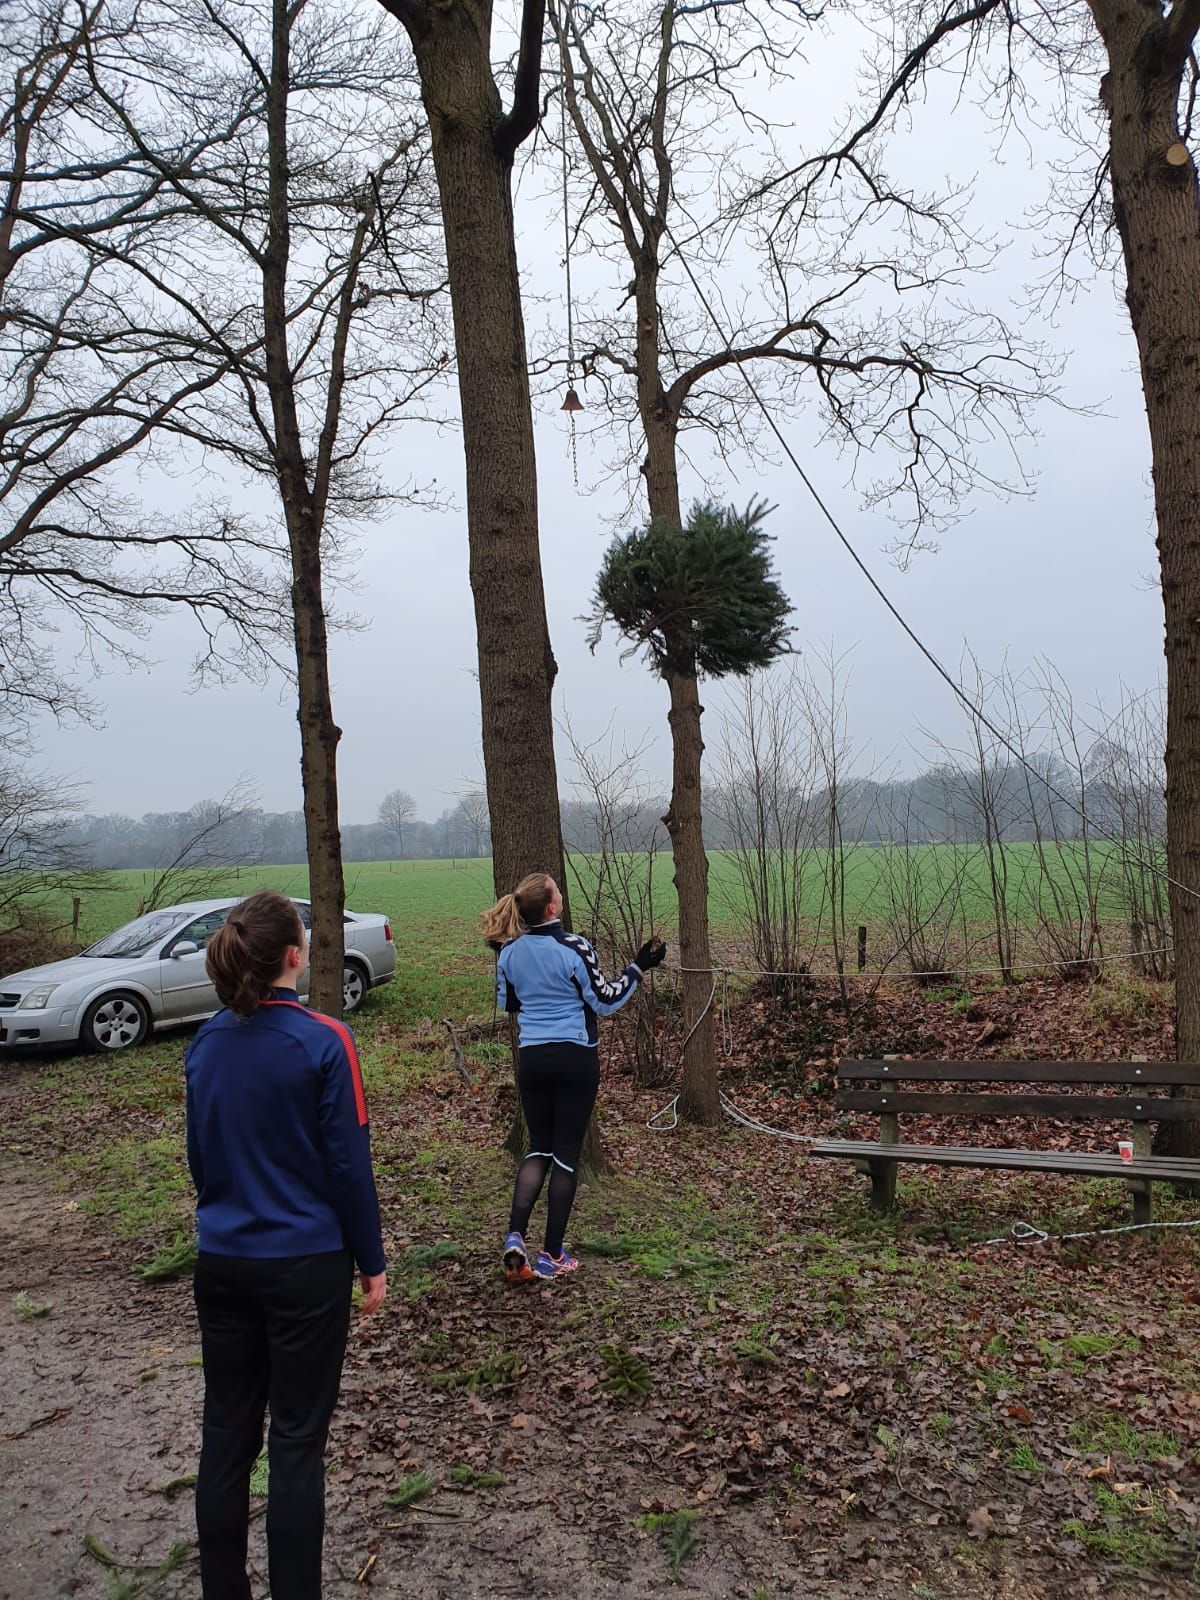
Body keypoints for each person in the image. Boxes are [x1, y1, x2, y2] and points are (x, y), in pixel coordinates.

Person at [184, 889, 387, 1600]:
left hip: (222, 1264)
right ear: (294, 956)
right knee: (296, 1442)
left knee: (226, 1433)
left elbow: (201, 1160)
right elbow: (349, 1166)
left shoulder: (205, 1042)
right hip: (306, 1269)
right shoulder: (326, 1040)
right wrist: (371, 1260)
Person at [483, 873, 667, 1283]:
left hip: (532, 1058)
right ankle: (551, 1254)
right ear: (551, 906)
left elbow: (507, 1003)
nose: (561, 895)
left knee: (538, 1147)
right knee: (566, 1154)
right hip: (574, 1058)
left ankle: (515, 1235)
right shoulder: (575, 946)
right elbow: (605, 1001)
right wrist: (639, 966)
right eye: (557, 891)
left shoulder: (509, 952)